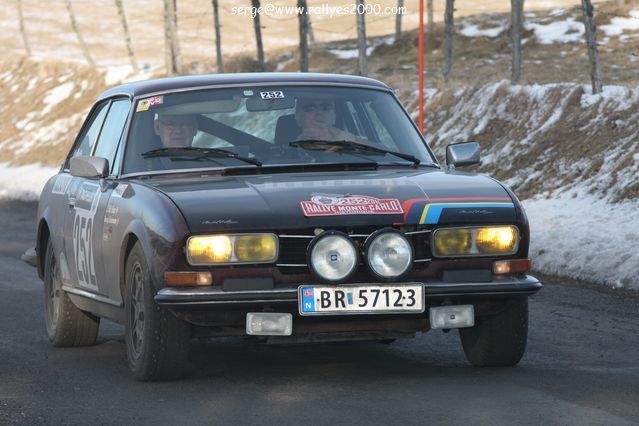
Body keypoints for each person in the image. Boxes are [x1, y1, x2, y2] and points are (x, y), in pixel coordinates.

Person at [294, 97, 362, 142]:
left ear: (334, 116)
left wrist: (342, 139)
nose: (319, 112)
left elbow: (371, 150)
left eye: (326, 108)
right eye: (310, 108)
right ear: (298, 118)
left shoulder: (352, 142)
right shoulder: (288, 151)